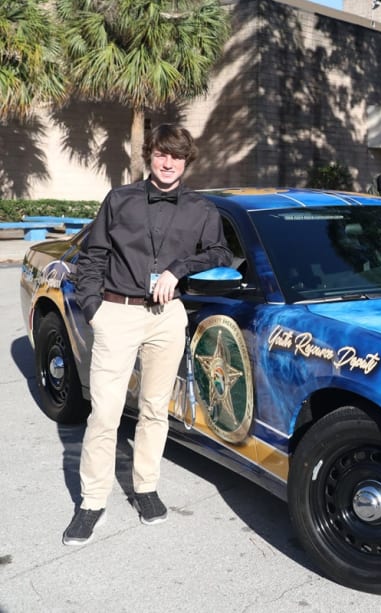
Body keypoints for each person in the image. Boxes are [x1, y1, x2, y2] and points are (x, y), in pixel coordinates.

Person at [66, 124, 232, 545]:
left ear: (186, 160)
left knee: (156, 409)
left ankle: (145, 488)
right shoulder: (119, 200)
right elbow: (92, 257)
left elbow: (220, 252)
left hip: (166, 316)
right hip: (116, 312)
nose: (168, 162)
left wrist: (179, 271)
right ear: (149, 155)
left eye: (176, 155)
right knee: (104, 412)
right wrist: (93, 310)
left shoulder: (201, 208)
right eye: (161, 154)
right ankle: (91, 501)